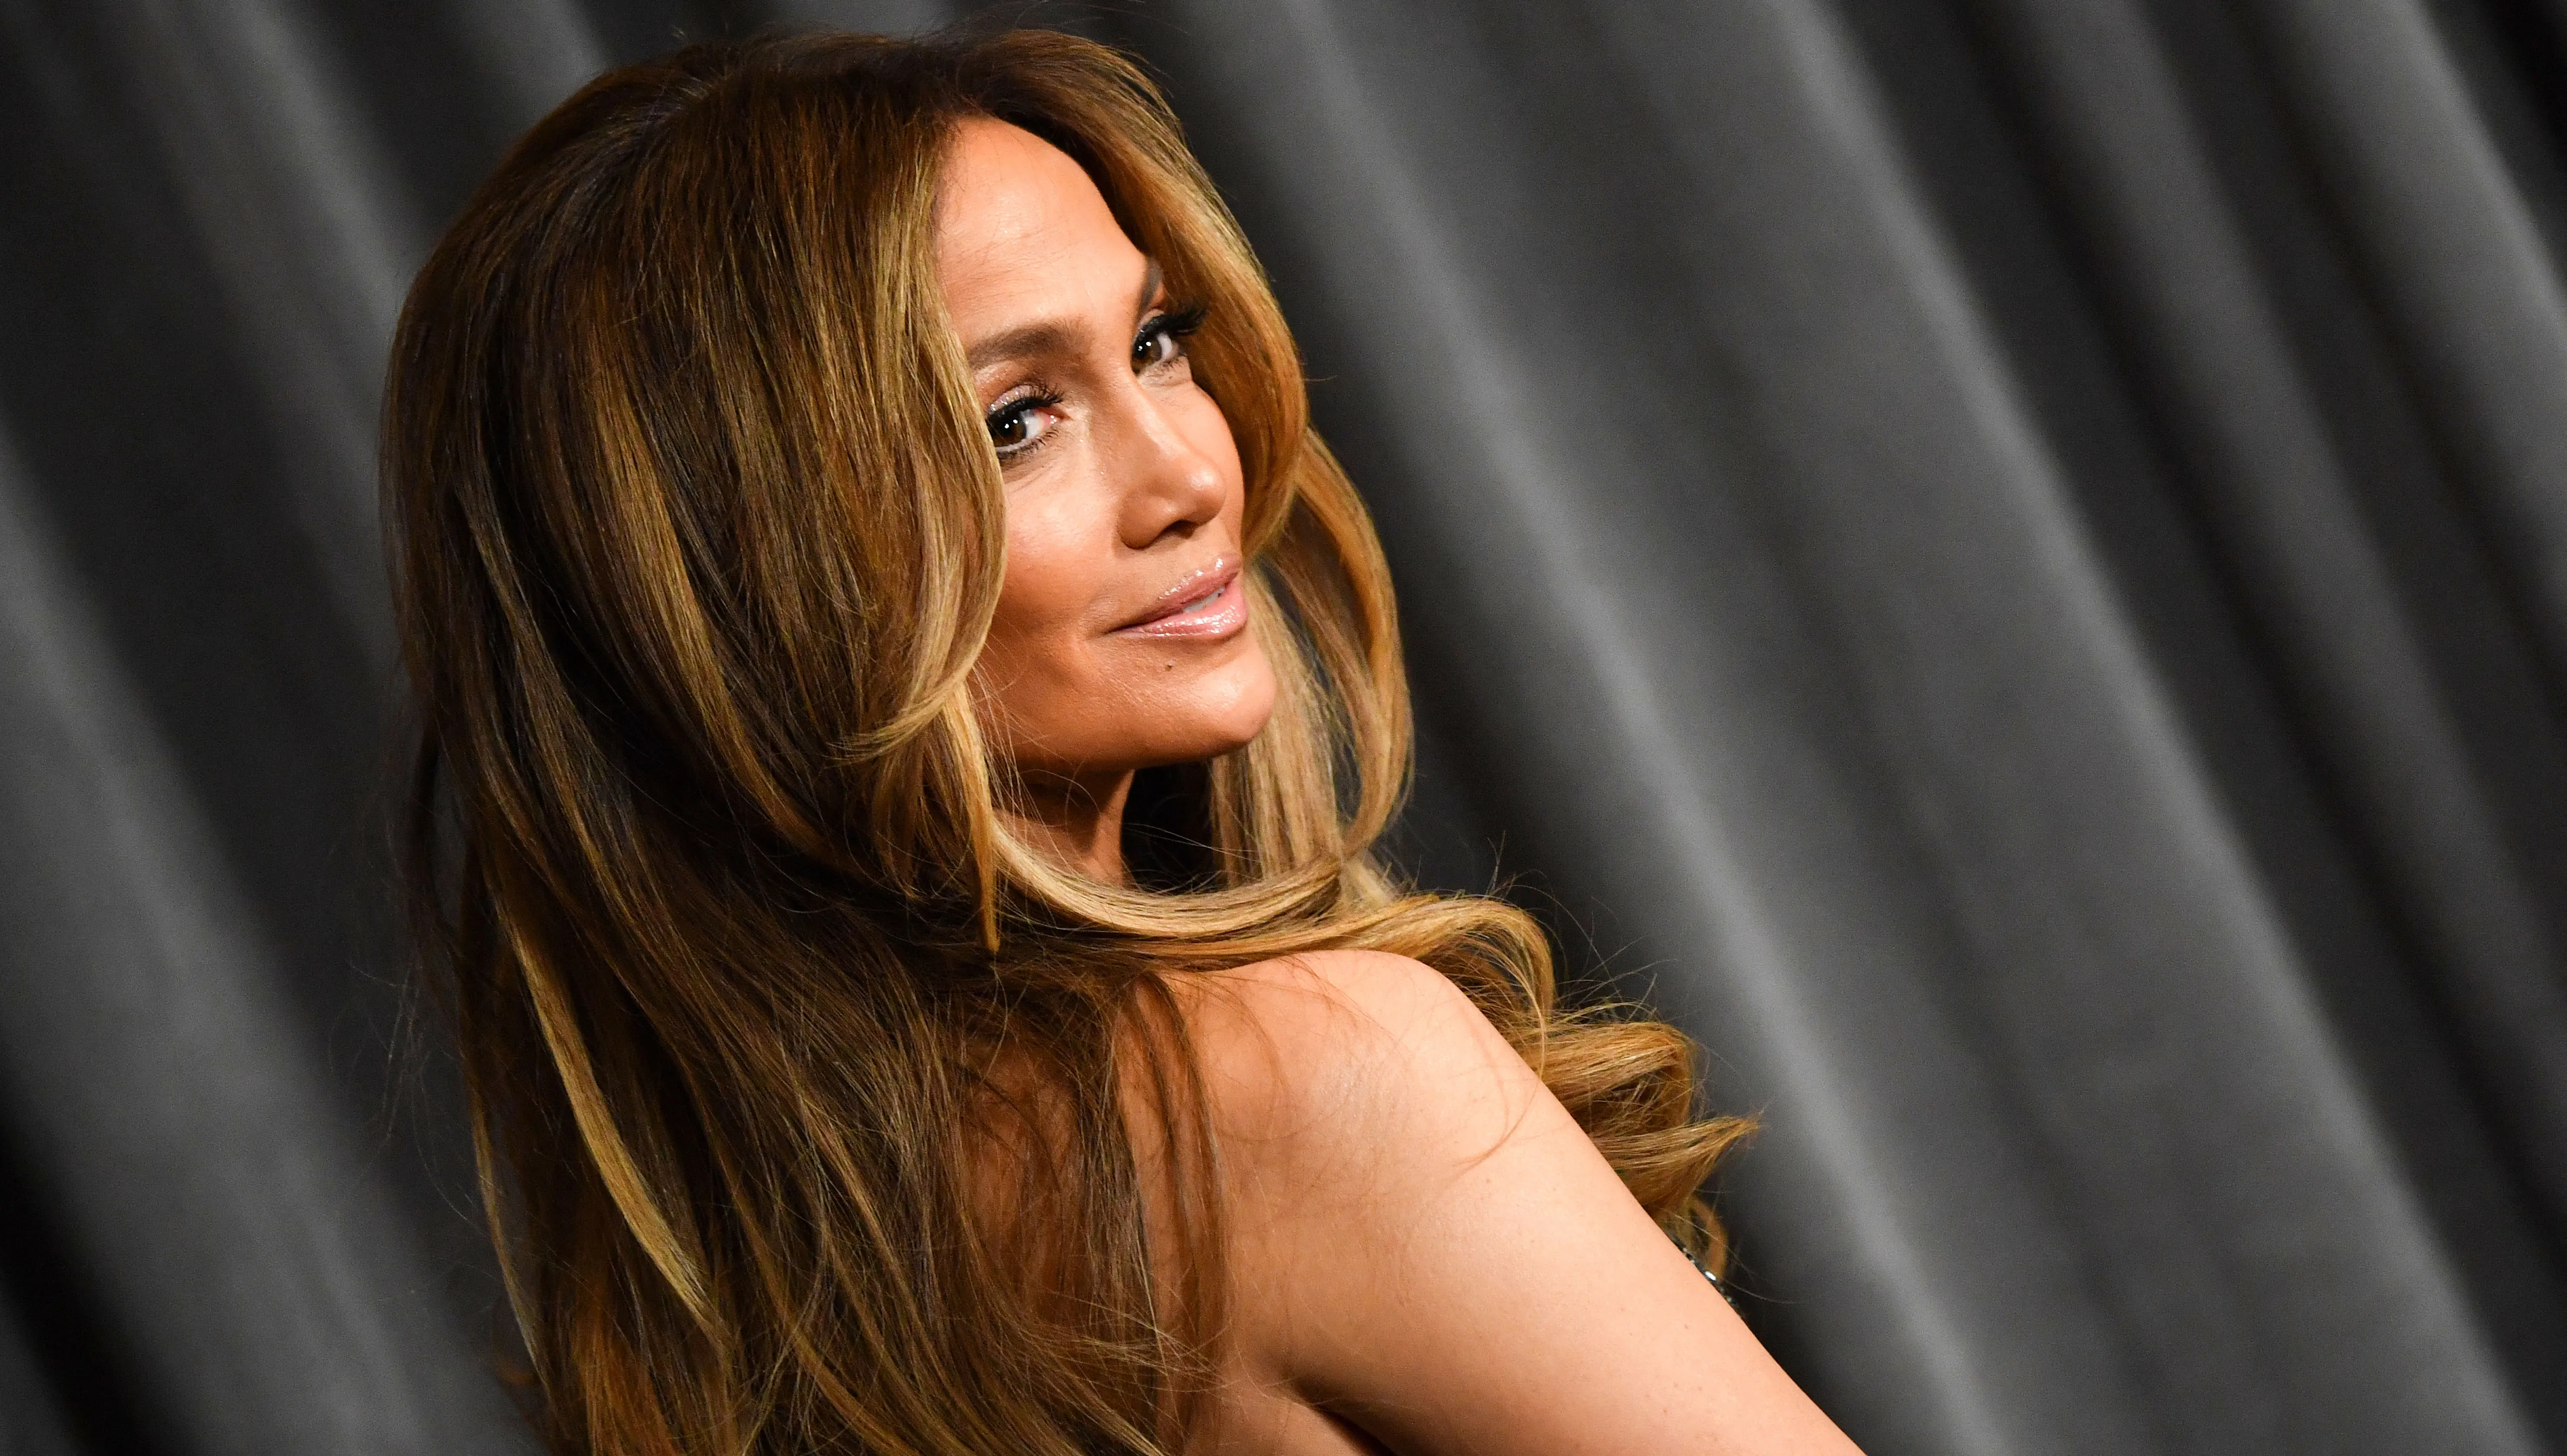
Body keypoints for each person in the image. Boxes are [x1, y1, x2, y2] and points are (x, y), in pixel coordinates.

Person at [384, 25, 1862, 1456]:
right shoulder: (1294, 1087)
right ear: (744, 580)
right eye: (1016, 420)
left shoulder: (765, 1265)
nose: (1187, 474)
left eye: (1156, 342)